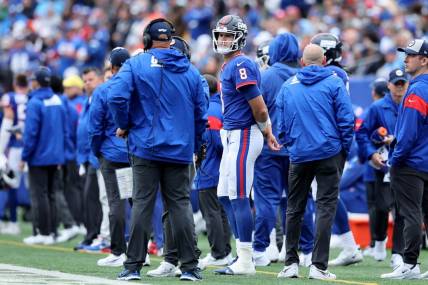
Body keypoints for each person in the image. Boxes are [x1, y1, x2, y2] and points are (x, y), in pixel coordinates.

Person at [108, 18, 207, 281]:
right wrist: (195, 145)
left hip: (145, 147)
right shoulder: (191, 70)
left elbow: (115, 95)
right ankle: (189, 268)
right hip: (180, 150)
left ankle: (132, 267)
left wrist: (125, 123)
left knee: (142, 204)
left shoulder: (137, 63)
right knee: (180, 206)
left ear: (147, 39)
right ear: (172, 40)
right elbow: (201, 114)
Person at [276, 44, 354, 280]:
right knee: (325, 207)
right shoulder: (334, 82)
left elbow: (280, 125)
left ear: (302, 62)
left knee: (294, 208)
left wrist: (292, 145)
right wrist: (343, 151)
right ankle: (318, 266)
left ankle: (290, 263)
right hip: (329, 152)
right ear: (323, 61)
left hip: (300, 154)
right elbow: (346, 120)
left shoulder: (288, 86)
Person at [211, 15, 280, 276]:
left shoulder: (241, 63)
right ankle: (242, 251)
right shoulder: (229, 64)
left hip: (243, 134)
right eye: (221, 35)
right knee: (224, 195)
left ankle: (246, 258)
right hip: (231, 136)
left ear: (239, 37)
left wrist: (267, 130)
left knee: (239, 196)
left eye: (228, 35)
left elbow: (260, 108)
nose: (224, 39)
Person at [252, 32, 301, 266]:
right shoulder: (305, 76)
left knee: (267, 201)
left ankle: (261, 249)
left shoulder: (266, 76)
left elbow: (256, 112)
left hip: (269, 147)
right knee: (299, 202)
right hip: (298, 149)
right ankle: (300, 250)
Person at [382, 39, 428, 280]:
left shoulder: (418, 89)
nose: (405, 58)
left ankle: (410, 264)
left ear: (424, 60)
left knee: (410, 214)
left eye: (411, 55)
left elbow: (408, 134)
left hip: (411, 163)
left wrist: (395, 159)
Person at [356, 69, 409, 267]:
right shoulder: (377, 107)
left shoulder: (412, 104)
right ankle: (378, 241)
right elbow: (362, 134)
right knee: (381, 207)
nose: (399, 87)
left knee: (402, 209)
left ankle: (398, 252)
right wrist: (372, 153)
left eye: (403, 83)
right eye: (396, 83)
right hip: (383, 164)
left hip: (405, 163)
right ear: (389, 85)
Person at [88, 47, 130, 267]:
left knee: (115, 202)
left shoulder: (104, 90)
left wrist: (96, 151)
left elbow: (94, 127)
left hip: (111, 153)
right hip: (133, 152)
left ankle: (117, 251)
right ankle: (138, 251)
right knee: (135, 201)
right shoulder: (137, 88)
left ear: (112, 67)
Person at [20, 66, 68, 245]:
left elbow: (31, 133)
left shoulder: (34, 102)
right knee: (52, 194)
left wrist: (25, 156)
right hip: (56, 155)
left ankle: (43, 232)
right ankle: (53, 232)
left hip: (39, 156)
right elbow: (64, 129)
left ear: (36, 82)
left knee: (40, 194)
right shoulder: (57, 99)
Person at [194, 74, 233, 268]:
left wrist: (202, 154)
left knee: (211, 213)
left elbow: (217, 142)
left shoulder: (209, 111)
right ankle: (224, 251)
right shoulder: (219, 107)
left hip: (210, 168)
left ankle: (218, 253)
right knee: (220, 212)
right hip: (220, 168)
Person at [355, 78, 388, 257]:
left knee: (376, 205)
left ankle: (377, 242)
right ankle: (377, 242)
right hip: (384, 164)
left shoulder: (372, 110)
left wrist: (364, 157)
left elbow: (361, 136)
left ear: (375, 92)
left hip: (375, 165)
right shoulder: (384, 109)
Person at [73, 67, 106, 251]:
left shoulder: (100, 98)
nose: (87, 84)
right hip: (88, 156)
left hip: (98, 156)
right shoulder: (88, 100)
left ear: (99, 80)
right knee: (90, 199)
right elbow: (83, 132)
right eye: (84, 80)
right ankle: (92, 235)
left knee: (96, 199)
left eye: (90, 80)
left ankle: (96, 235)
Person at [0, 74, 28, 236]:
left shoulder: (9, 97)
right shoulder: (30, 97)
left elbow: (8, 118)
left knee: (10, 183)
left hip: (14, 147)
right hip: (30, 145)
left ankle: (13, 221)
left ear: (14, 83)